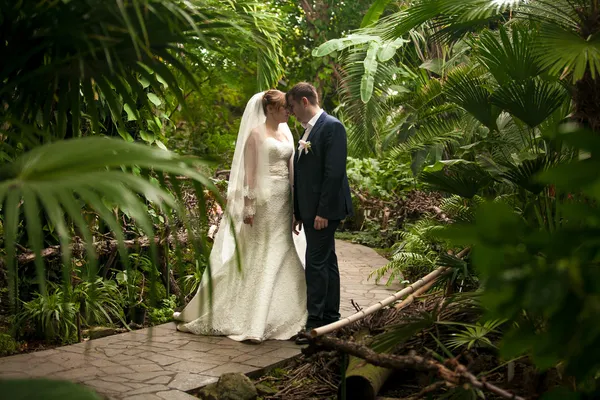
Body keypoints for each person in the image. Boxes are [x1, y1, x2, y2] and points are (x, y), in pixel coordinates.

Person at [173, 90, 308, 343]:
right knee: (262, 252)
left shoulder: (288, 133)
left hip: (284, 201)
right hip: (264, 203)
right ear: (269, 109)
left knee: (283, 250)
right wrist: (249, 207)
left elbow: (292, 171)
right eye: (283, 108)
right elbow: (249, 174)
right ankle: (250, 318)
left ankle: (283, 312)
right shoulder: (256, 135)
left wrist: (296, 207)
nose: (288, 112)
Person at [286, 82, 353, 345]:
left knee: (315, 264)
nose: (291, 112)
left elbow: (333, 173)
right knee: (327, 262)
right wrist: (300, 211)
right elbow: (304, 178)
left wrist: (322, 212)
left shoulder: (332, 127)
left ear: (304, 102)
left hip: (325, 211)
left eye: (292, 107)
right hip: (313, 211)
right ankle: (330, 319)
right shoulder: (310, 131)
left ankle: (314, 326)